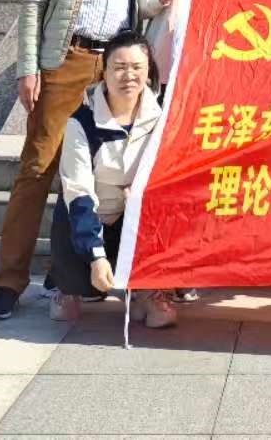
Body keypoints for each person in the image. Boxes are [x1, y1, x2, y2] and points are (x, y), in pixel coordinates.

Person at [0, 0, 146, 321]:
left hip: (113, 71)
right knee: (38, 167)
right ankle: (8, 282)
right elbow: (35, 1)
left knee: (94, 173)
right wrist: (28, 67)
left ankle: (65, 274)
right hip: (66, 60)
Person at [51, 30, 176, 329]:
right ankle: (67, 287)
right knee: (77, 290)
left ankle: (147, 290)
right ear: (104, 73)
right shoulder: (81, 122)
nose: (128, 76)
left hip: (137, 220)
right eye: (119, 67)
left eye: (136, 67)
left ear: (149, 72)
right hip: (93, 217)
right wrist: (96, 256)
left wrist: (145, 192)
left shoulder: (164, 118)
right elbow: (79, 192)